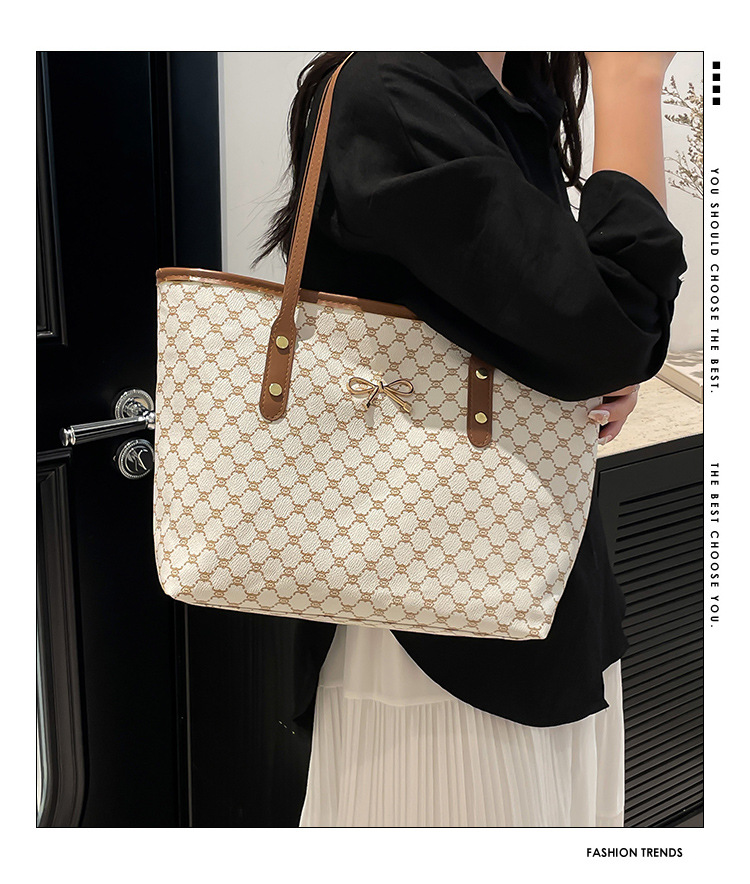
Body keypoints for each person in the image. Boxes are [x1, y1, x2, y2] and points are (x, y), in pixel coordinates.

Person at [255, 51, 686, 827]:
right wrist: (631, 78)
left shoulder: (514, 93)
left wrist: (588, 357)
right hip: (444, 628)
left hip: (534, 580)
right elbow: (615, 324)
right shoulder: (393, 88)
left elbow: (578, 322)